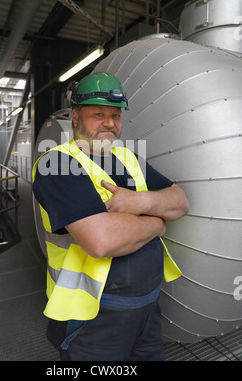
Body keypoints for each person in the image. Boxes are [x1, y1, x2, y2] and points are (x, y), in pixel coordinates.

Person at [32, 72, 190, 361]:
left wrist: (136, 201)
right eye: (99, 114)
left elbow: (180, 202)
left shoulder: (127, 158)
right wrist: (156, 221)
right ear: (76, 118)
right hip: (93, 317)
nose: (109, 123)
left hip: (148, 306)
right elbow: (101, 241)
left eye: (116, 115)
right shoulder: (57, 164)